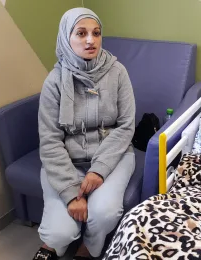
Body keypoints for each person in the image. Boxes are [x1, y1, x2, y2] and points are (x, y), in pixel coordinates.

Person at [33, 7, 135, 260]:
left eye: (96, 33)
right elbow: (49, 140)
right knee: (58, 234)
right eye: (81, 33)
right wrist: (70, 191)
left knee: (105, 213)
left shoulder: (118, 72)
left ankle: (88, 249)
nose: (90, 40)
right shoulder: (54, 81)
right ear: (66, 38)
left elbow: (125, 126)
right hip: (68, 159)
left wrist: (99, 169)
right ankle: (52, 244)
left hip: (113, 154)